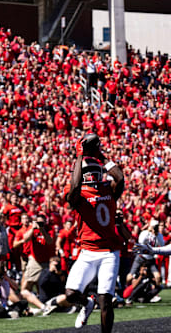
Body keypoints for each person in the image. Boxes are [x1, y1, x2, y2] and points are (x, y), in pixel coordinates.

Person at [64, 133, 130, 332]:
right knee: (70, 294)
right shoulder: (79, 193)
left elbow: (120, 177)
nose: (93, 174)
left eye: (96, 170)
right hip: (87, 251)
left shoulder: (108, 189)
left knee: (106, 300)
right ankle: (86, 304)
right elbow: (75, 186)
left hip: (109, 252)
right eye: (89, 171)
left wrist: (100, 156)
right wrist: (79, 156)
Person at [20, 214, 54, 316]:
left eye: (42, 222)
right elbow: (25, 239)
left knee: (43, 285)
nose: (40, 224)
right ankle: (24, 305)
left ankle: (43, 304)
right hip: (35, 260)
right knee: (27, 285)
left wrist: (42, 229)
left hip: (46, 260)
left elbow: (49, 241)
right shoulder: (32, 228)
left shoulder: (49, 229)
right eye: (38, 222)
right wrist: (33, 228)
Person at [127, 219, 164, 287]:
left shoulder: (159, 235)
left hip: (150, 259)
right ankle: (126, 288)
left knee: (158, 277)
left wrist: (157, 235)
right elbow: (141, 242)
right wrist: (149, 232)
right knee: (130, 275)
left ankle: (155, 293)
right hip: (141, 257)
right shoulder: (145, 233)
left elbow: (162, 245)